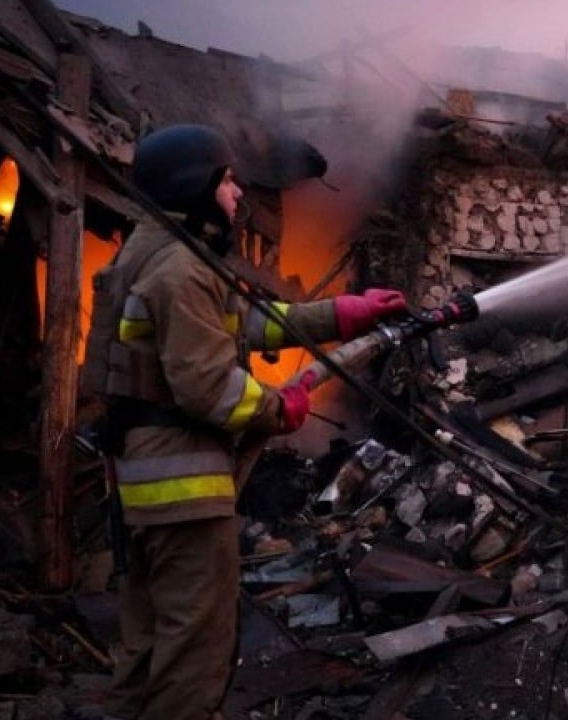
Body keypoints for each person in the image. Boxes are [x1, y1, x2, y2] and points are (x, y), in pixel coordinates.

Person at [92, 124, 405, 719]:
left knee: (148, 642)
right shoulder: (180, 271)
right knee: (195, 645)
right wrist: (275, 408)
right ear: (195, 186)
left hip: (144, 485)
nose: (237, 193)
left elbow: (251, 324)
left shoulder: (156, 253)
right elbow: (206, 385)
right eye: (227, 180)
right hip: (182, 491)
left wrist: (344, 313)